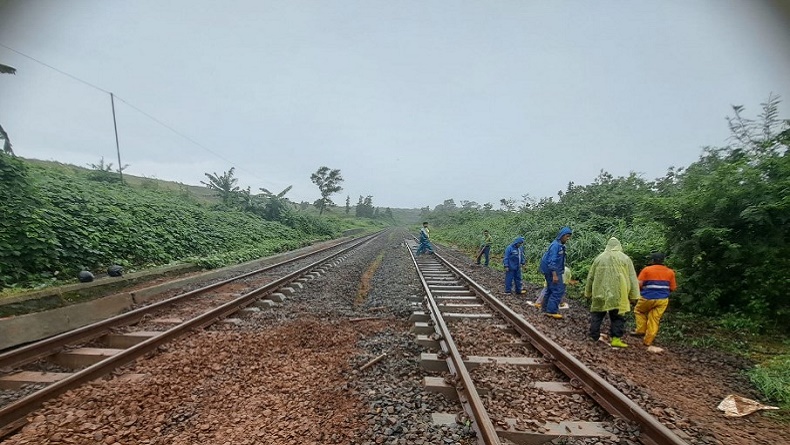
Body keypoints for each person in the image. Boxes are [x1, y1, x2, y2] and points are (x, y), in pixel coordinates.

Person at [584, 237, 640, 348]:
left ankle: (593, 336)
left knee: (597, 315)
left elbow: (591, 277)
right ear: (619, 246)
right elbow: (632, 277)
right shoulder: (625, 259)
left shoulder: (599, 258)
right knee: (618, 317)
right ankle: (616, 339)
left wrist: (588, 292)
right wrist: (634, 296)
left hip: (600, 292)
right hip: (619, 294)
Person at [633, 252, 677, 350]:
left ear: (652, 260)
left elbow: (639, 284)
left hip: (647, 298)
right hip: (662, 300)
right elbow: (673, 288)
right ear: (663, 261)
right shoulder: (670, 272)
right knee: (654, 319)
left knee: (639, 311)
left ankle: (640, 330)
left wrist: (640, 292)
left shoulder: (646, 270)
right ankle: (647, 341)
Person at [538, 227, 572, 318]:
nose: (568, 238)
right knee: (557, 290)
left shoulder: (560, 245)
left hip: (553, 270)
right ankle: (551, 311)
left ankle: (545, 308)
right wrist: (554, 275)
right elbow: (552, 261)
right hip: (552, 271)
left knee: (550, 289)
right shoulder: (555, 246)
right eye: (567, 236)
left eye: (569, 237)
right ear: (562, 235)